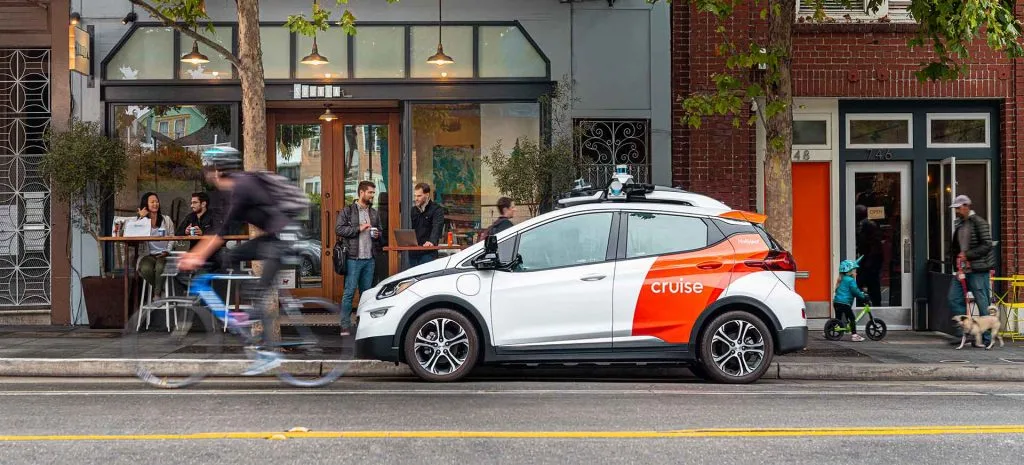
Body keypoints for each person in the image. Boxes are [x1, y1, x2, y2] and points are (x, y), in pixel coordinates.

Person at [179, 147, 293, 376]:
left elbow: (222, 231)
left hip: (286, 238)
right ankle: (244, 319)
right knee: (229, 256)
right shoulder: (232, 190)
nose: (207, 174)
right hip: (273, 237)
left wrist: (195, 256)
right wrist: (200, 256)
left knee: (258, 292)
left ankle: (267, 353)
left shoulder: (242, 187)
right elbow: (220, 232)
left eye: (208, 169)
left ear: (217, 170)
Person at [335, 181, 383, 336]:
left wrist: (378, 234)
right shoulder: (348, 210)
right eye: (370, 192)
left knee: (366, 294)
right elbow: (339, 229)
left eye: (373, 193)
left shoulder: (374, 212)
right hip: (353, 259)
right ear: (361, 193)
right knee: (349, 292)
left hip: (369, 259)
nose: (372, 195)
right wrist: (358, 228)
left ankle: (362, 324)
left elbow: (380, 232)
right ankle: (345, 325)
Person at [947, 194, 994, 347]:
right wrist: (957, 263)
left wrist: (967, 255)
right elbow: (956, 248)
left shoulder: (979, 223)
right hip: (963, 270)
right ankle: (965, 332)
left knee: (982, 303)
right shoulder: (960, 225)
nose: (956, 211)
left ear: (966, 206)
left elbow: (987, 245)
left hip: (978, 270)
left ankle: (987, 338)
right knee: (954, 298)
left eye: (958, 208)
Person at [136, 192, 175, 299]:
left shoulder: (166, 220)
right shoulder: (142, 221)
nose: (155, 204)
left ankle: (157, 295)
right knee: (145, 269)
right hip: (148, 255)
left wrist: (167, 250)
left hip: (164, 254)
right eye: (152, 202)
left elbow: (172, 238)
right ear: (146, 204)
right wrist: (140, 218)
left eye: (157, 201)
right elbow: (135, 234)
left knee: (160, 267)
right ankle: (160, 290)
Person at [854, 204, 883, 306]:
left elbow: (874, 244)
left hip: (869, 260)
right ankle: (872, 303)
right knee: (871, 284)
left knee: (869, 283)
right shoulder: (866, 224)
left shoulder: (867, 225)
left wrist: (869, 261)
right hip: (868, 259)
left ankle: (872, 304)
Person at [410, 183, 444, 267]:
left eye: (419, 196)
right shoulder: (413, 210)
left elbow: (437, 226)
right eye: (415, 196)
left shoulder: (436, 209)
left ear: (427, 195)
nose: (416, 199)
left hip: (428, 252)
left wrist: (432, 241)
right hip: (413, 252)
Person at [834, 259, 868, 342]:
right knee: (852, 318)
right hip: (845, 303)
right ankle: (854, 335)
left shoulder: (841, 279)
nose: (856, 273)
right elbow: (855, 291)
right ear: (850, 272)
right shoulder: (850, 280)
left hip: (836, 302)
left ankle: (829, 331)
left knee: (838, 319)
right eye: (855, 271)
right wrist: (863, 296)